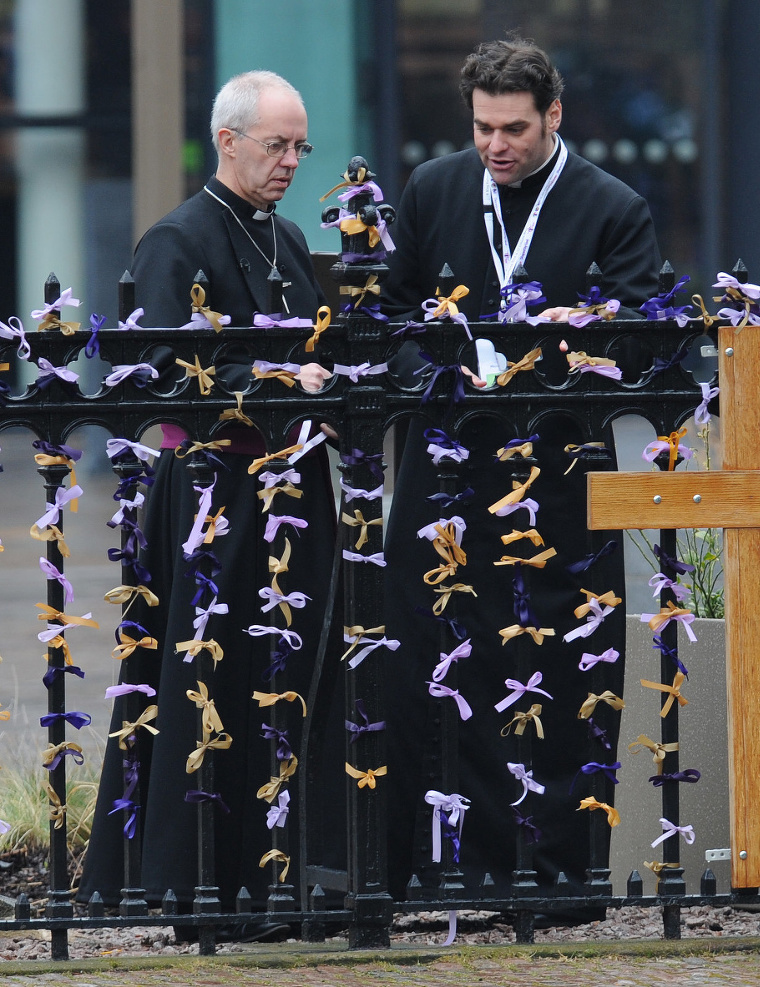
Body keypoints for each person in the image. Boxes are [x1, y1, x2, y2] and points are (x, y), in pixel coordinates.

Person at [381, 39, 661, 898]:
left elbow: (648, 341)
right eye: (482, 128)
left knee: (563, 667)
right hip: (448, 458)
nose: (496, 146)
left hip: (559, 469)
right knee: (435, 650)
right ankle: (438, 866)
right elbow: (387, 319)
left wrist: (590, 336)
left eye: (514, 129)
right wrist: (434, 368)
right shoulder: (433, 188)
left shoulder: (612, 206)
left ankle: (552, 871)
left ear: (555, 117)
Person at [79, 71, 340, 932]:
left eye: (300, 146)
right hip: (211, 501)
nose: (292, 161)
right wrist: (272, 378)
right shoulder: (176, 240)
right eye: (277, 145)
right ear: (226, 140)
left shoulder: (291, 239)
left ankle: (285, 876)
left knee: (289, 680)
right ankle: (201, 883)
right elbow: (157, 378)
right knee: (209, 682)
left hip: (290, 495)